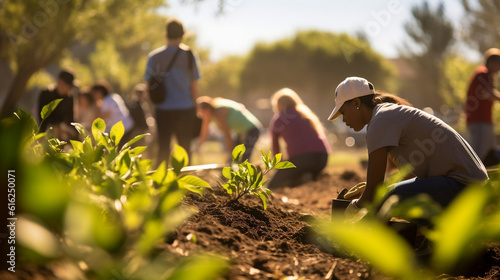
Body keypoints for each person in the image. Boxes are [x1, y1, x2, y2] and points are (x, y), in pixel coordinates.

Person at [328, 77, 488, 217]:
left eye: (343, 112)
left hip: (464, 186)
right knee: (391, 192)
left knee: (391, 198)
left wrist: (354, 207)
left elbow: (373, 191)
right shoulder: (386, 114)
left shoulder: (379, 122)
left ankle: (436, 238)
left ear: (356, 103)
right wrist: (379, 189)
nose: (343, 119)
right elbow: (411, 178)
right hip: (468, 185)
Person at [144, 18, 200, 165]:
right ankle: (185, 183)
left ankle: (160, 183)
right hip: (185, 108)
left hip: (163, 109)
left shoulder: (154, 57)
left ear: (165, 34)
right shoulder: (189, 55)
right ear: (182, 35)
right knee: (185, 148)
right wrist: (196, 108)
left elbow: (148, 86)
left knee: (163, 148)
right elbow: (194, 85)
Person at [267, 88, 331, 188]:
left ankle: (302, 177)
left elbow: (275, 146)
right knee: (298, 171)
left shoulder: (279, 119)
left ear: (279, 105)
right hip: (322, 158)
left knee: (273, 185)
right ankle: (307, 176)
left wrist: (279, 166)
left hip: (301, 159)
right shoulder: (305, 114)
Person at [197, 96, 262, 162]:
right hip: (240, 132)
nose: (200, 115)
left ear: (207, 110)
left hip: (252, 129)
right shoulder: (211, 112)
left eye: (201, 112)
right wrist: (199, 145)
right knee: (233, 158)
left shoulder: (218, 113)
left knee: (244, 158)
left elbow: (227, 135)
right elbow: (205, 131)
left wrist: (230, 151)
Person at [464, 48, 500, 167]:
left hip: (484, 121)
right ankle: (471, 183)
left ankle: (489, 182)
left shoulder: (484, 74)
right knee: (479, 156)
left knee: (491, 153)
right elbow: (488, 93)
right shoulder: (483, 73)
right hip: (479, 121)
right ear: (493, 63)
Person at [90, 80, 135, 145]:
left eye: (94, 93)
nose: (94, 96)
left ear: (99, 92)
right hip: (128, 124)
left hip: (123, 128)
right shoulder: (114, 96)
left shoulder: (106, 101)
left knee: (119, 150)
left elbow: (102, 118)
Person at [37, 69, 78, 140]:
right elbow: (41, 116)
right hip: (47, 129)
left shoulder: (69, 98)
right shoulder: (46, 93)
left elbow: (70, 118)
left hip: (62, 131)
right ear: (60, 82)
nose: (70, 89)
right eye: (68, 86)